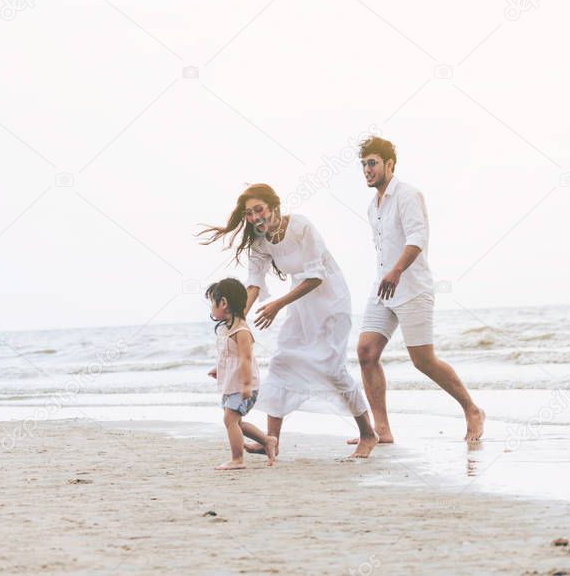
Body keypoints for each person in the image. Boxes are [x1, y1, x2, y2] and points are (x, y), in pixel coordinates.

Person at [200, 184, 379, 459]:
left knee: (332, 367)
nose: (255, 217)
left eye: (259, 209)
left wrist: (278, 305)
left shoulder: (301, 227)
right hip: (301, 304)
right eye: (249, 213)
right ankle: (271, 440)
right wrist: (237, 324)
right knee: (282, 361)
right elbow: (254, 285)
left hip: (331, 299)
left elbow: (316, 276)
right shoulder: (259, 243)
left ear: (274, 207)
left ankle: (368, 433)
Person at [350, 136, 485, 444]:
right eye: (364, 165)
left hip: (412, 287)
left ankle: (472, 409)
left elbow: (417, 237)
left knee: (423, 361)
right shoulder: (373, 206)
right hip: (382, 288)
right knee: (366, 353)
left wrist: (397, 271)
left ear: (389, 164)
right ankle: (381, 430)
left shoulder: (408, 195)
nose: (367, 170)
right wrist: (387, 274)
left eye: (372, 163)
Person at [205, 277, 277, 470]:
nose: (211, 308)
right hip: (232, 384)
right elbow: (228, 356)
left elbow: (245, 359)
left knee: (229, 420)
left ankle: (237, 459)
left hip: (244, 385)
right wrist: (217, 369)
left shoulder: (242, 331)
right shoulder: (226, 330)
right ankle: (268, 441)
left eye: (213, 303)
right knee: (236, 422)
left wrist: (246, 385)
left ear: (224, 303)